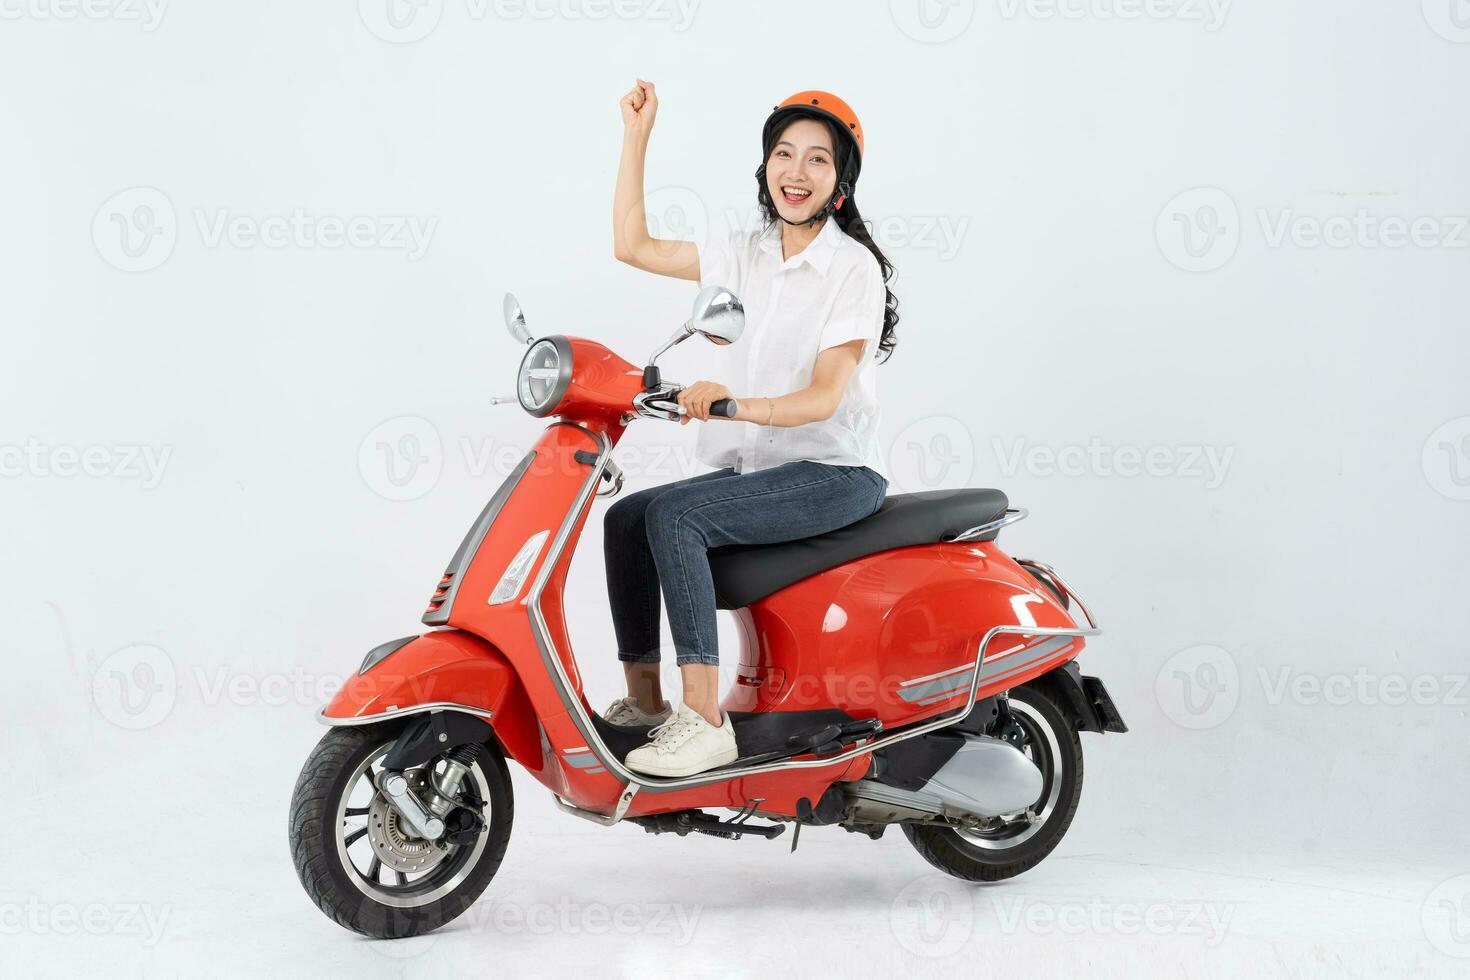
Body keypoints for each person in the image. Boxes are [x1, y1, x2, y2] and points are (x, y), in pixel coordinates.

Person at [604, 81, 900, 777]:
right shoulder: (745, 251)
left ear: (841, 181)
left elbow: (826, 396)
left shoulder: (853, 270)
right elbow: (631, 245)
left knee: (677, 516)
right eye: (784, 154)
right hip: (761, 473)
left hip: (836, 473)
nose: (796, 172)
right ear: (765, 166)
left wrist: (735, 405)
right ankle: (646, 705)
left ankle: (704, 722)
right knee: (626, 519)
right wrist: (637, 136)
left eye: (818, 160)